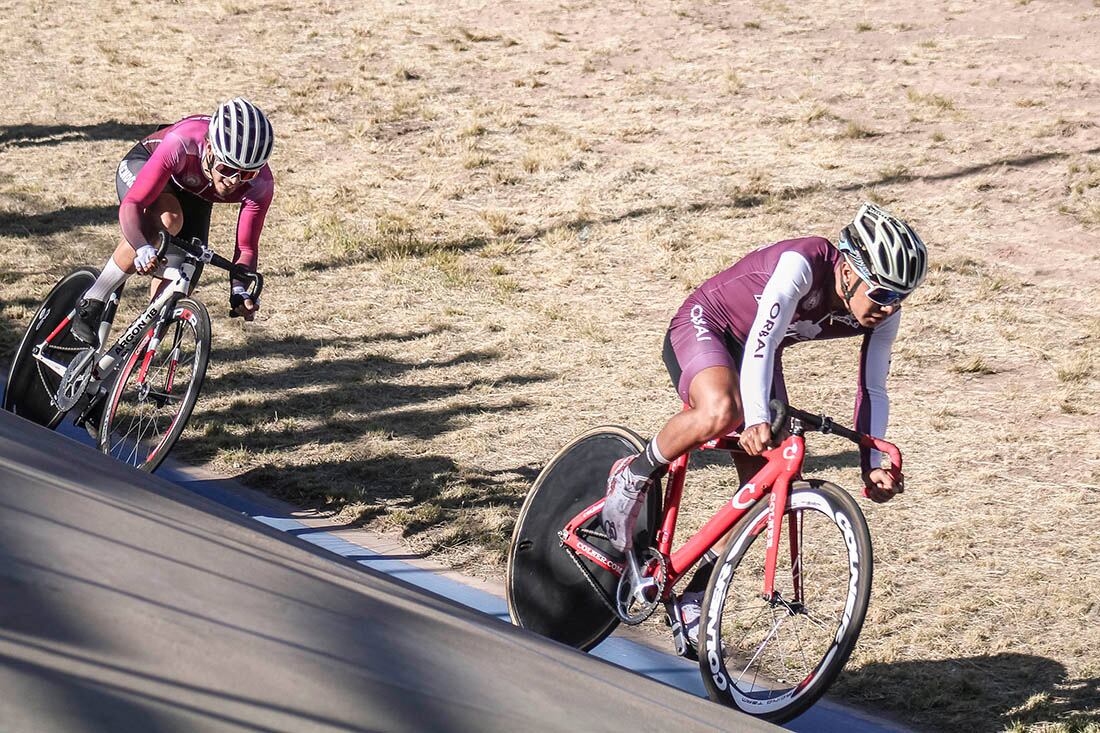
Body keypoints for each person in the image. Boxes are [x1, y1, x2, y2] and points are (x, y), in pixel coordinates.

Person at [600, 202, 928, 650]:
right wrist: (754, 417)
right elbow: (762, 339)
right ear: (850, 271)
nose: (889, 309)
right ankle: (634, 473)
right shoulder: (804, 264)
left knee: (765, 484)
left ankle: (695, 590)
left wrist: (871, 461)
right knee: (723, 412)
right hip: (711, 324)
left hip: (760, 353)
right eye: (883, 294)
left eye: (900, 299)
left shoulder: (884, 313)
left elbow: (872, 387)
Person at [71, 97, 275, 347]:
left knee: (181, 282)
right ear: (210, 149)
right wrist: (143, 247)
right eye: (227, 169)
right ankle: (93, 299)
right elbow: (132, 205)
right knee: (168, 220)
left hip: (196, 192)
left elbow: (246, 248)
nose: (234, 180)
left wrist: (239, 289)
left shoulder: (261, 185)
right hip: (149, 165)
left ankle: (128, 360)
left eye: (247, 173)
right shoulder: (183, 142)